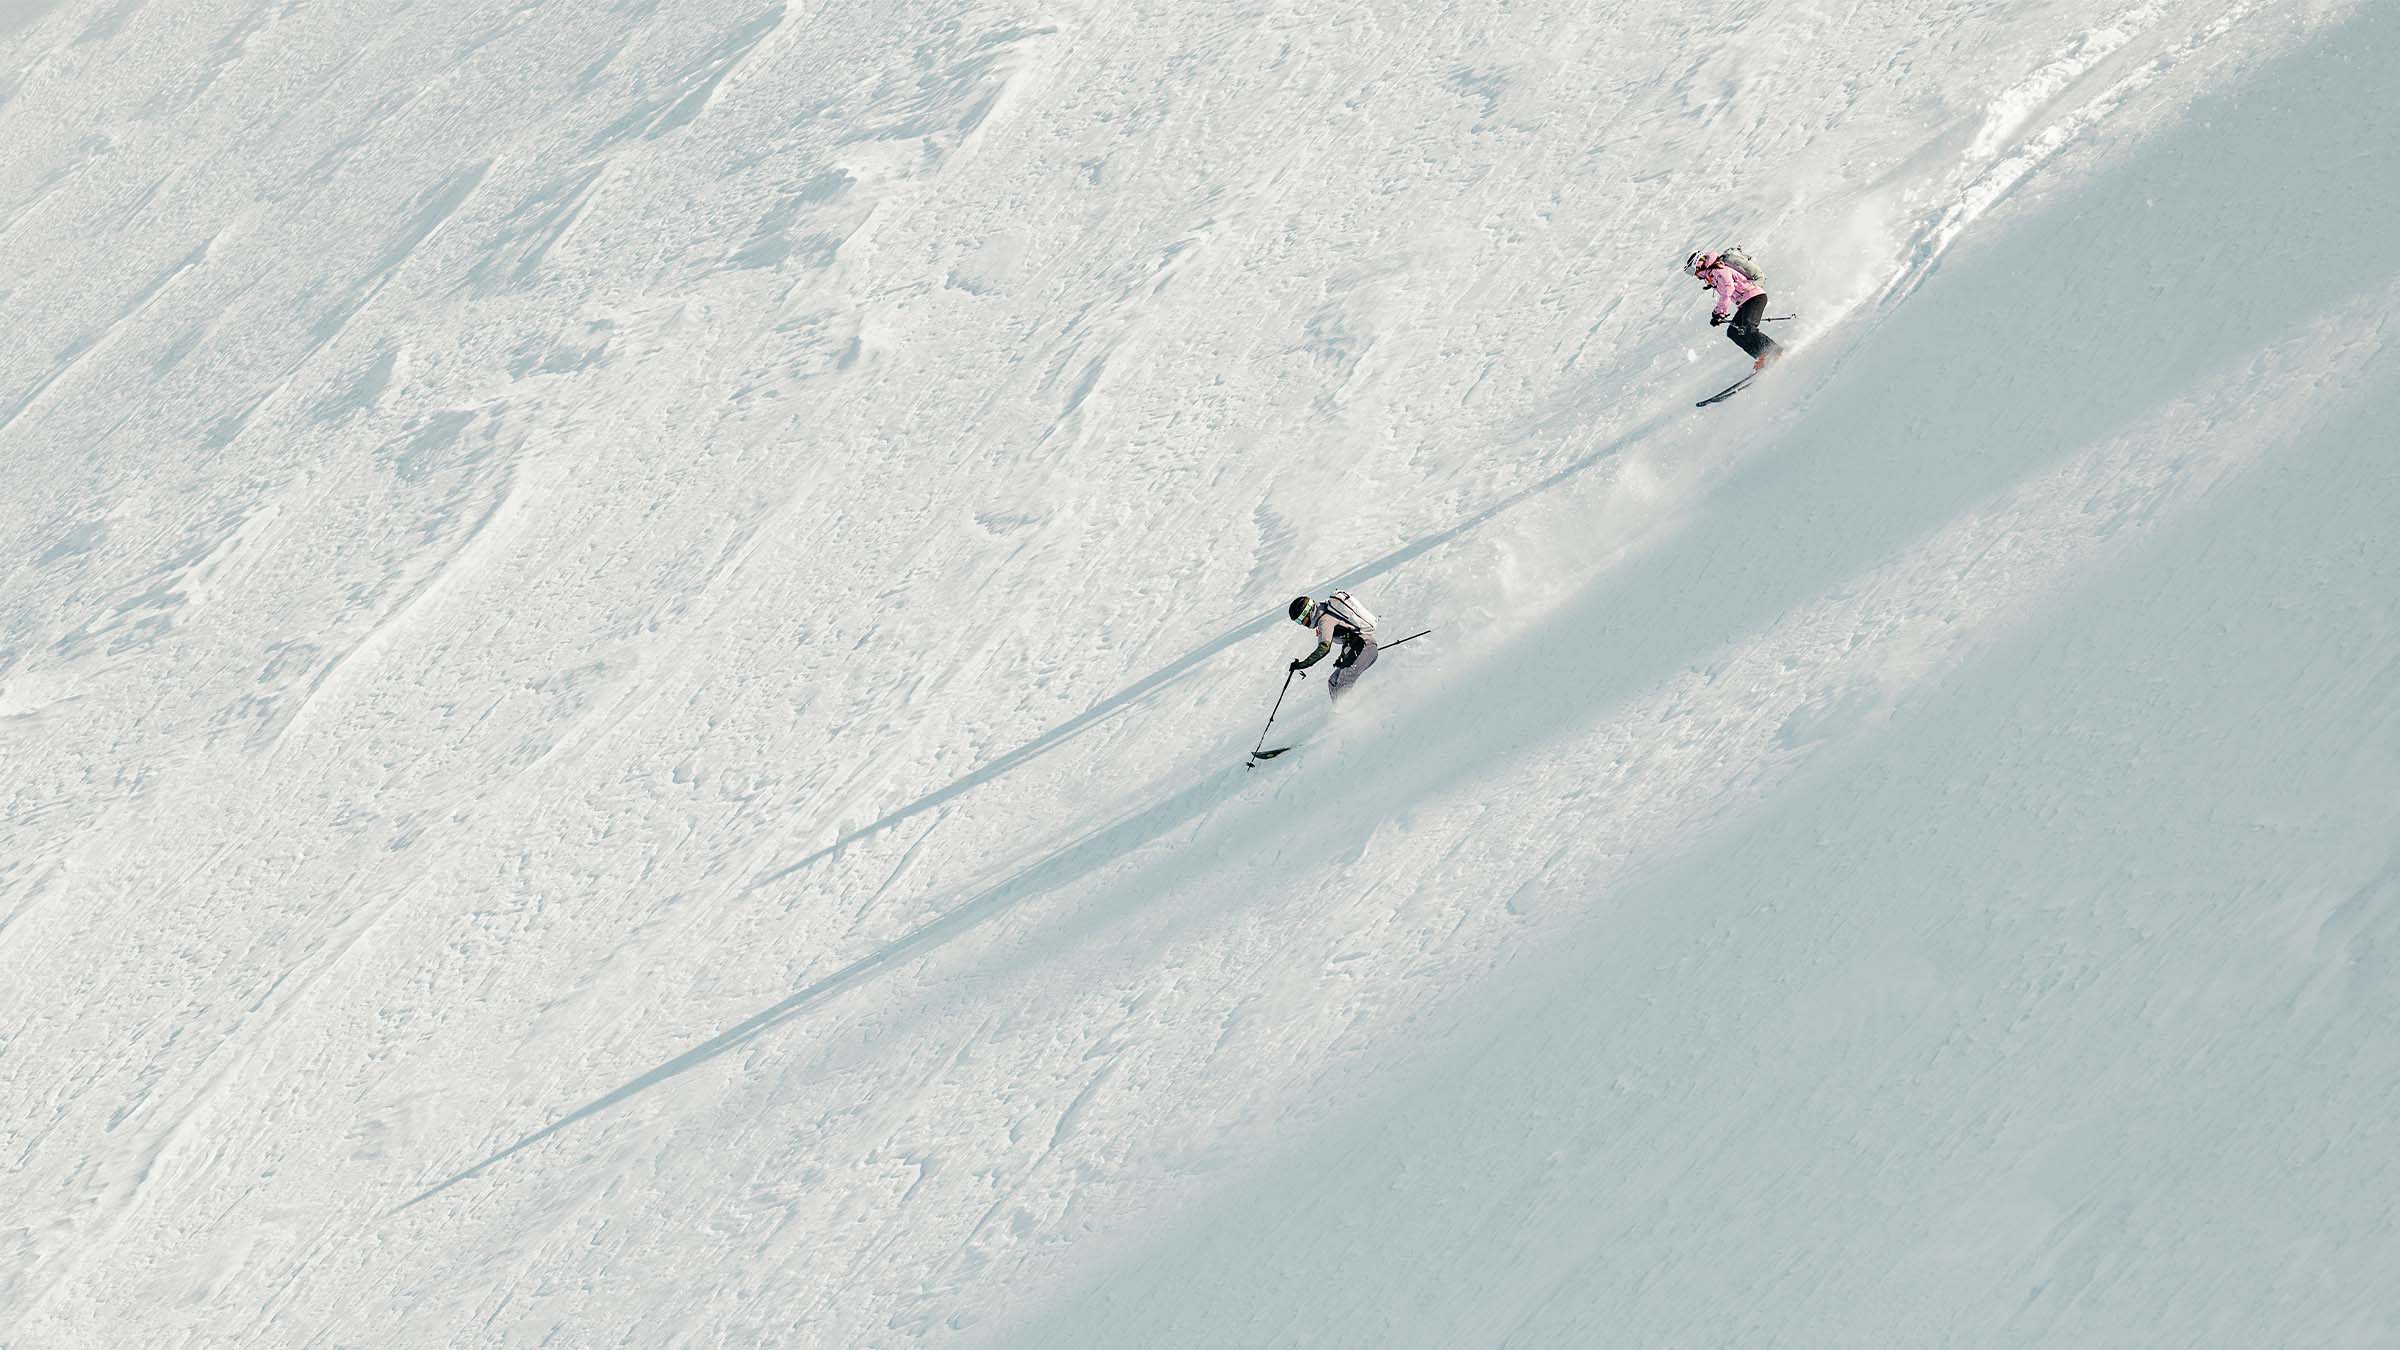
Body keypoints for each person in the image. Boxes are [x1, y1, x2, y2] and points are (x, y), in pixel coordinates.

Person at [1687, 248, 1782, 371]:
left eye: (1691, 270)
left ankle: (1775, 351)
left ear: (1699, 263)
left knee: (1748, 328)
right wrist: (1718, 315)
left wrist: (1719, 313)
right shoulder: (1712, 275)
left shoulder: (1718, 270)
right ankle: (1762, 357)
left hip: (1755, 297)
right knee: (1733, 332)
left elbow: (1728, 291)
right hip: (1746, 302)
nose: (1693, 275)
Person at [1287, 591, 1377, 700]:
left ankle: (1349, 711)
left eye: (1302, 619)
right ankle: (1339, 708)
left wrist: (1302, 664)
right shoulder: (1325, 613)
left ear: (1309, 612)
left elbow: (1324, 648)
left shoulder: (1324, 620)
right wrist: (1343, 656)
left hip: (1365, 648)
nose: (1303, 624)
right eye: (1298, 622)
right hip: (1360, 648)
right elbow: (1348, 636)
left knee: (1344, 680)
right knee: (1333, 681)